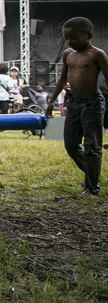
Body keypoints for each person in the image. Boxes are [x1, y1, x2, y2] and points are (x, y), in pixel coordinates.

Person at [45, 16, 108, 198]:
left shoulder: (97, 55)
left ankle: (92, 189)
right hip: (73, 102)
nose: (70, 41)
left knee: (92, 146)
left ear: (89, 36)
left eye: (74, 37)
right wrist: (51, 101)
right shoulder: (68, 54)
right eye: (66, 38)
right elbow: (63, 78)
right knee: (71, 145)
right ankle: (90, 175)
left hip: (92, 104)